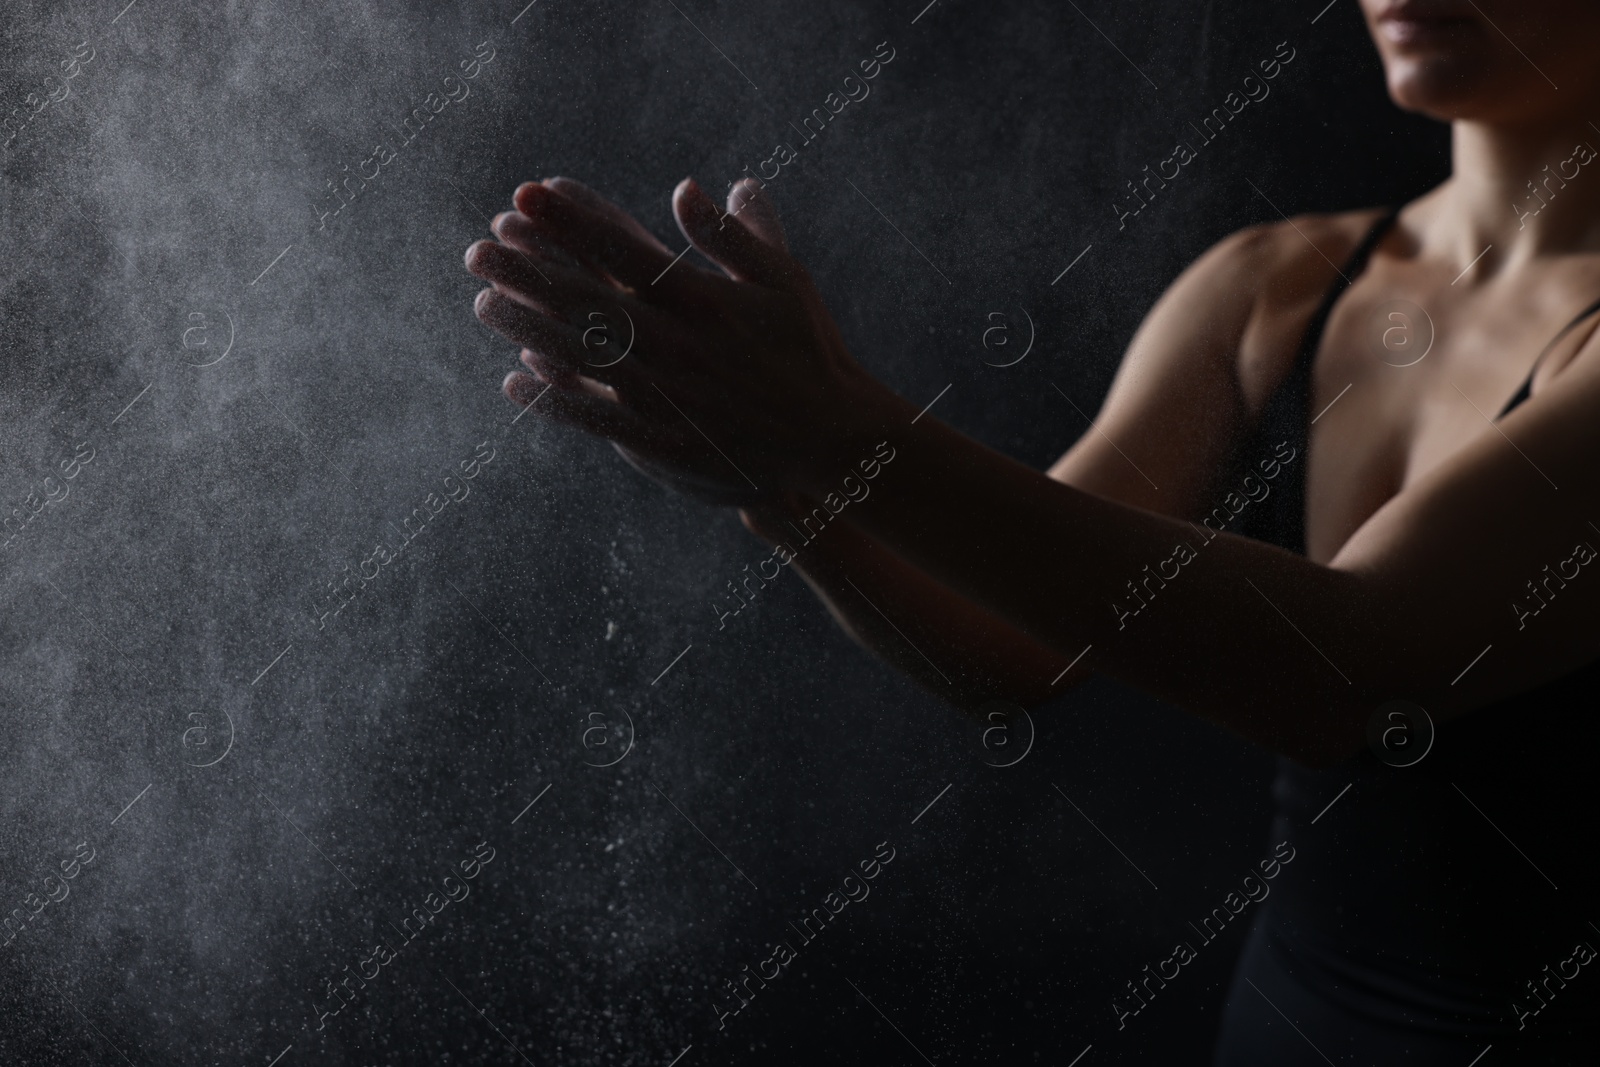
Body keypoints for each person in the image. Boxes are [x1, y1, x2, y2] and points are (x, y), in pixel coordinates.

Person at [463, 0, 1600, 1060]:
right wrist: (780, 484)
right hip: (1287, 1020)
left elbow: (1345, 671)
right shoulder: (1274, 287)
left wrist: (830, 427)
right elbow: (1009, 649)